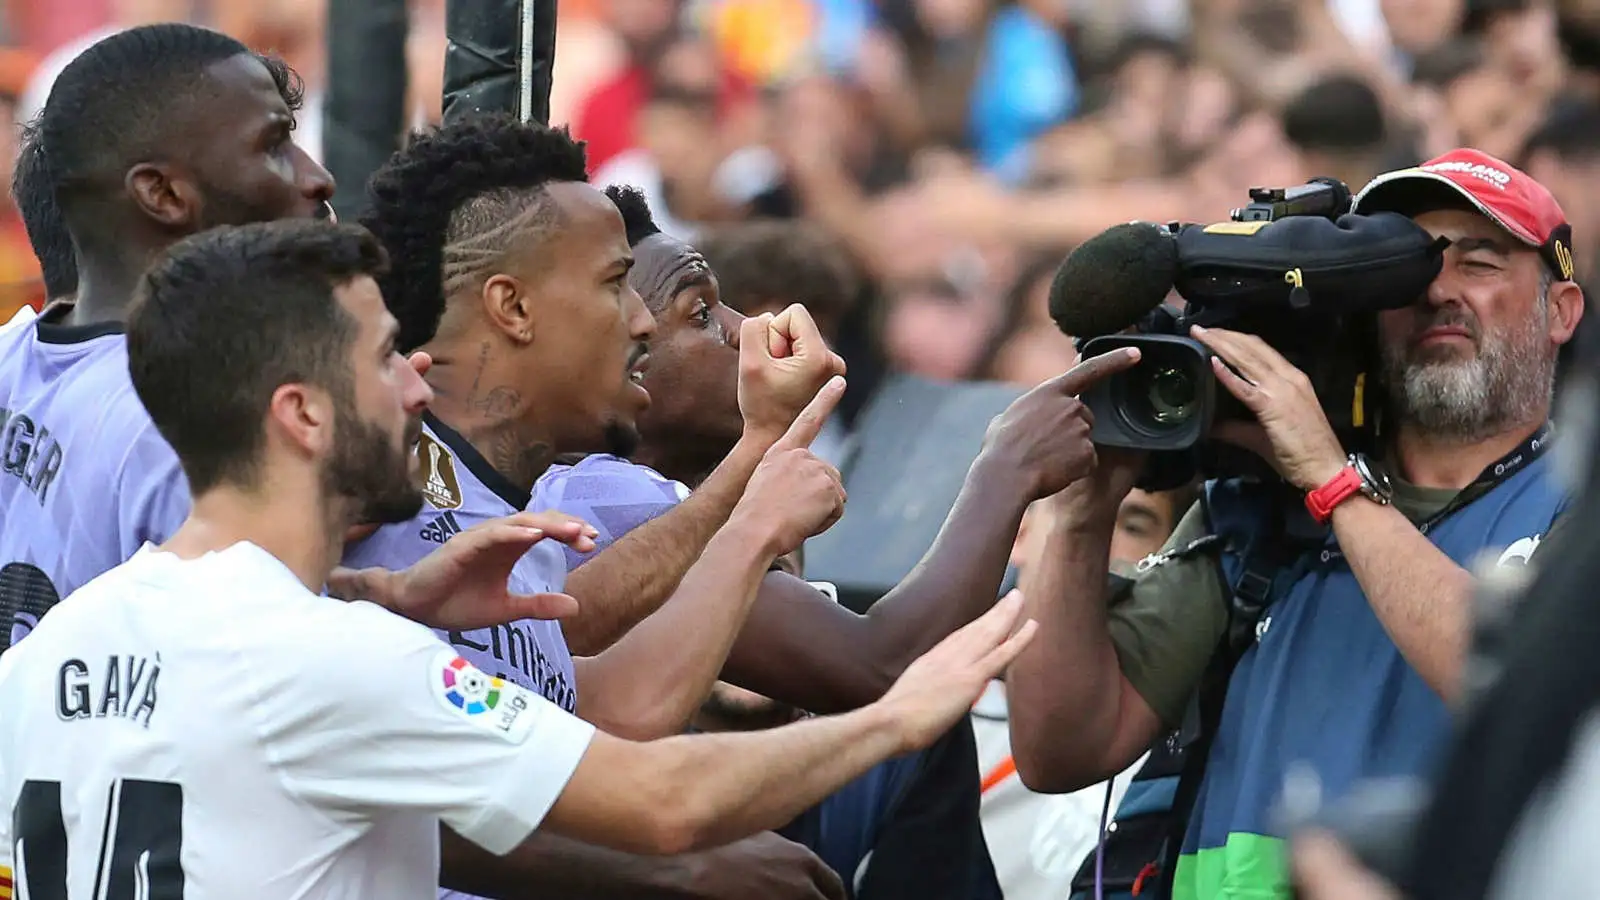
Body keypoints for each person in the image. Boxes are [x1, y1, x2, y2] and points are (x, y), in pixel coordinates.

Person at [0, 218, 1038, 900]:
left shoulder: (47, 659)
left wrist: (379, 595)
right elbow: (661, 800)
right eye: (380, 361)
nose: (415, 387)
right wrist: (897, 716)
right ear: (301, 413)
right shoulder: (336, 659)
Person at [1004, 147, 1583, 899]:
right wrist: (1085, 511)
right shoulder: (1262, 510)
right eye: (1411, 270)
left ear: (1561, 310)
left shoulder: (1580, 508)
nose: (1439, 289)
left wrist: (1332, 481)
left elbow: (1516, 689)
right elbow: (1059, 751)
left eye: (1480, 263)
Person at [341, 114, 867, 900]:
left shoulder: (531, 522)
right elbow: (384, 801)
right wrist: (668, 871)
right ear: (512, 308)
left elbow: (619, 709)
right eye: (613, 283)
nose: (642, 321)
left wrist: (758, 472)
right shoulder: (367, 471)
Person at [538, 198, 1010, 900]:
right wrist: (1010, 462)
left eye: (776, 573)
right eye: (702, 313)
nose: (746, 335)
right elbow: (885, 665)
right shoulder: (584, 495)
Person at [0, 23, 335, 650]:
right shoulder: (196, 421)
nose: (317, 178)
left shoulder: (11, 357)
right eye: (275, 145)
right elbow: (262, 690)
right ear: (161, 193)